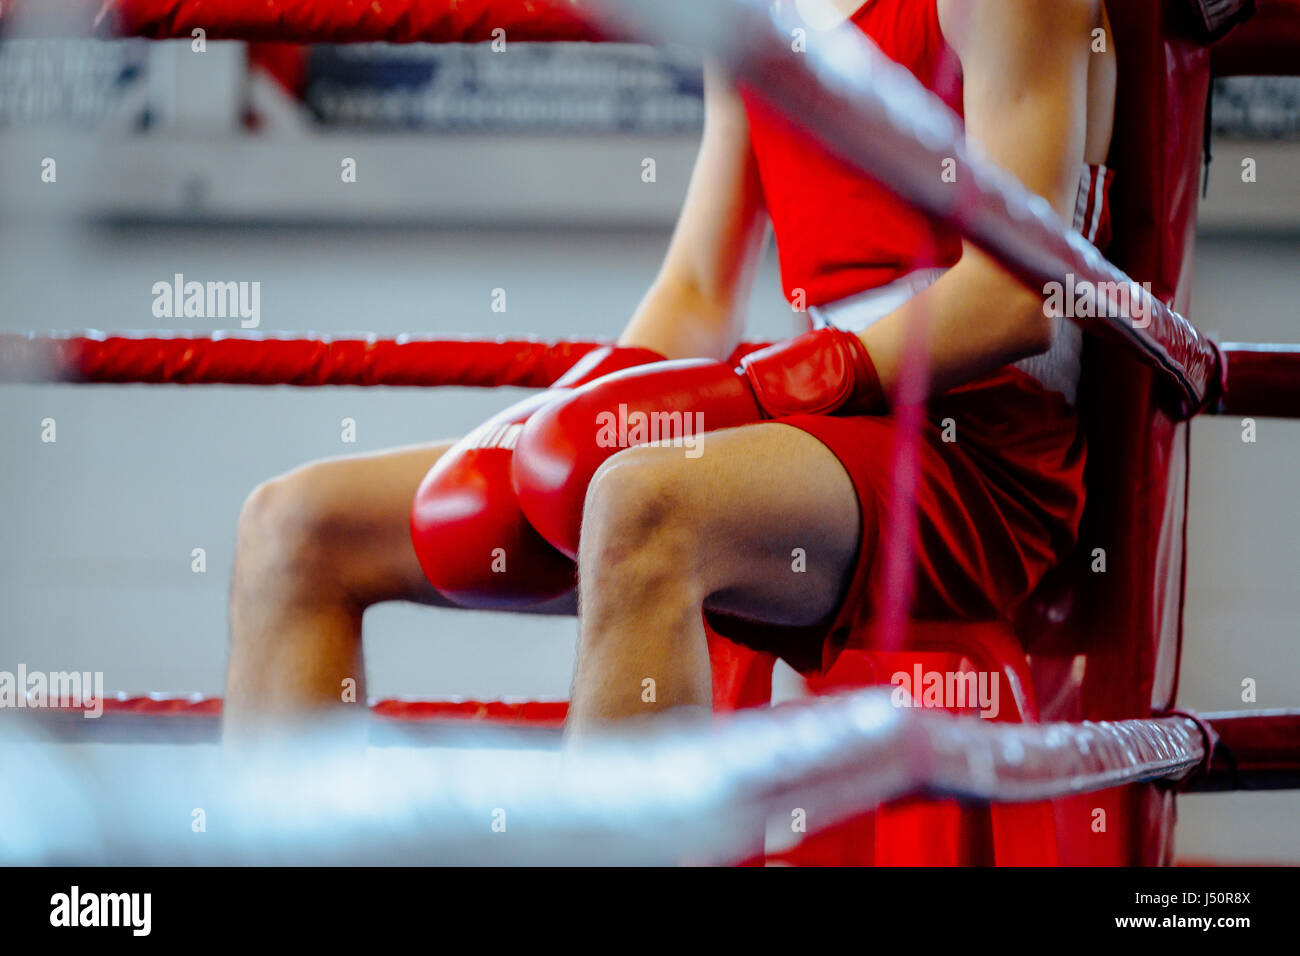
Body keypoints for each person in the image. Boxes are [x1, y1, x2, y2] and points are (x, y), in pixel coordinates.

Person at [222, 0, 1117, 737]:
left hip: (981, 450)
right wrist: (565, 414)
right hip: (810, 425)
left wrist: (778, 386)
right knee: (297, 526)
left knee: (644, 504)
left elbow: (1016, 294)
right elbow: (695, 288)